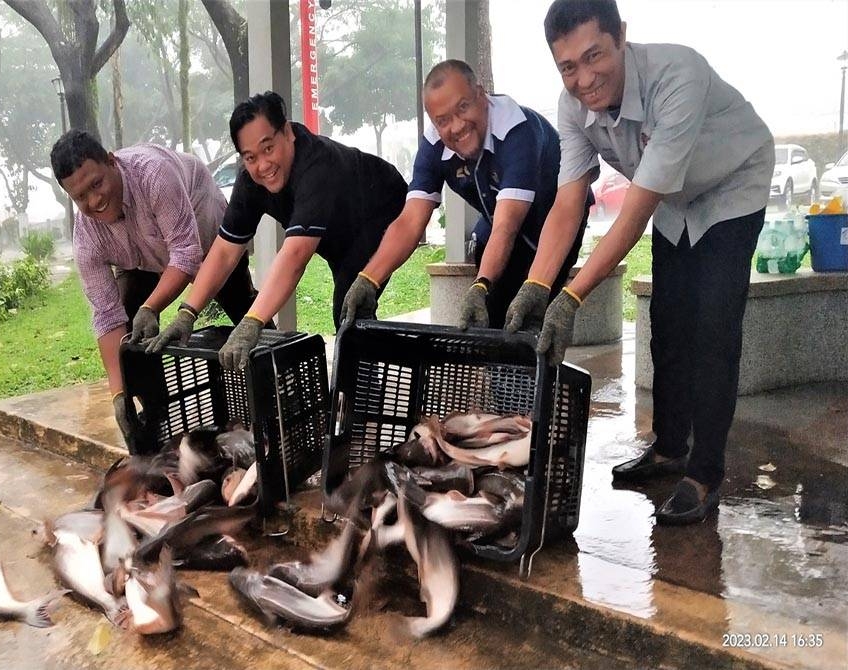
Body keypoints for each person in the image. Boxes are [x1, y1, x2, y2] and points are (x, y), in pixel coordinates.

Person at [506, 0, 774, 524]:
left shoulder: (678, 75)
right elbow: (568, 199)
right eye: (567, 66)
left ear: (621, 36)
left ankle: (704, 472)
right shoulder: (572, 106)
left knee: (713, 326)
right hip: (675, 200)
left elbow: (635, 208)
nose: (583, 78)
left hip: (731, 185)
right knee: (668, 322)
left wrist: (574, 295)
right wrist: (538, 285)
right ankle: (670, 446)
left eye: (594, 56)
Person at [148, 92, 408, 370]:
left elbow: (295, 255)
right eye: (250, 157)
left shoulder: (316, 164)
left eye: (268, 149)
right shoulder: (250, 181)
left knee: (349, 311)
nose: (263, 166)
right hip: (337, 232)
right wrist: (187, 313)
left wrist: (252, 322)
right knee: (351, 315)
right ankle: (361, 394)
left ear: (287, 132)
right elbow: (224, 251)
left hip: (383, 210)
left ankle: (366, 398)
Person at [341, 59, 589, 330]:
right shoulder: (433, 146)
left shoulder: (516, 130)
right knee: (490, 318)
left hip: (554, 223)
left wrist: (482, 284)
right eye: (443, 120)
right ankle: (499, 369)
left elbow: (508, 226)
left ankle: (538, 369)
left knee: (528, 319)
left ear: (481, 96)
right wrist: (369, 278)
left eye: (463, 107)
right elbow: (411, 220)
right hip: (496, 225)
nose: (457, 126)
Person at [50, 130, 260, 449]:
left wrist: (155, 308)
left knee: (245, 314)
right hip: (145, 261)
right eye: (80, 197)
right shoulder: (86, 237)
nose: (94, 201)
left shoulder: (153, 174)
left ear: (111, 162)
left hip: (208, 237)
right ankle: (156, 417)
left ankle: (274, 394)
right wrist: (119, 393)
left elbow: (186, 254)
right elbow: (107, 317)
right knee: (132, 329)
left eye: (96, 184)